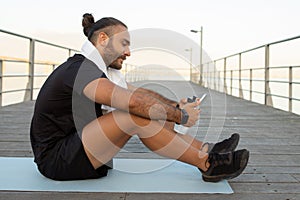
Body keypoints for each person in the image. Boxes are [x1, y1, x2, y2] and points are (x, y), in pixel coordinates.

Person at [30, 13, 249, 182]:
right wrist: (179, 116)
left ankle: (207, 150)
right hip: (57, 159)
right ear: (103, 39)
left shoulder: (98, 70)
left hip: (77, 148)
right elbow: (133, 103)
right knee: (134, 115)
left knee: (148, 111)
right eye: (124, 44)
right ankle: (208, 164)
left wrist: (173, 106)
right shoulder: (80, 70)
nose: (128, 53)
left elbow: (138, 94)